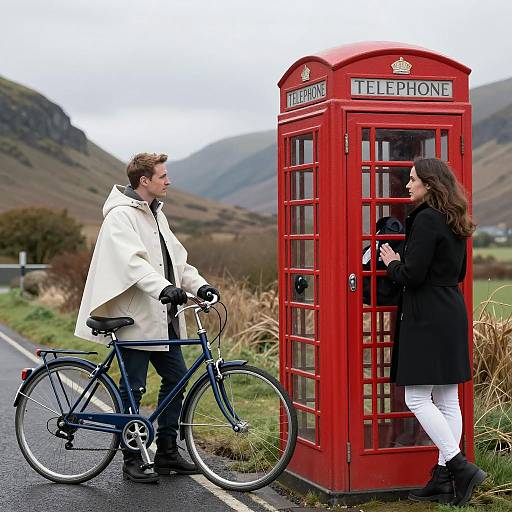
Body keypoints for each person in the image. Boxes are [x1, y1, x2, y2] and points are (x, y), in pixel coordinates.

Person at [75, 152, 220, 484]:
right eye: (163, 176)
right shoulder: (120, 216)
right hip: (135, 318)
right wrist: (165, 289)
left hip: (163, 316)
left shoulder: (157, 215)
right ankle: (131, 460)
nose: (168, 181)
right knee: (134, 387)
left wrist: (201, 286)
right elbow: (133, 263)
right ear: (145, 181)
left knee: (178, 380)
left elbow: (177, 262)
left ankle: (168, 452)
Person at [379, 158, 486, 507]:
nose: (407, 186)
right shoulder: (456, 217)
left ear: (429, 183)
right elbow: (459, 271)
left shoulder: (426, 218)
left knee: (417, 398)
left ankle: (458, 466)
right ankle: (443, 480)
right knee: (447, 400)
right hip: (451, 310)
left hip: (426, 316)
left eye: (412, 180)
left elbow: (411, 275)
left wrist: (390, 260)